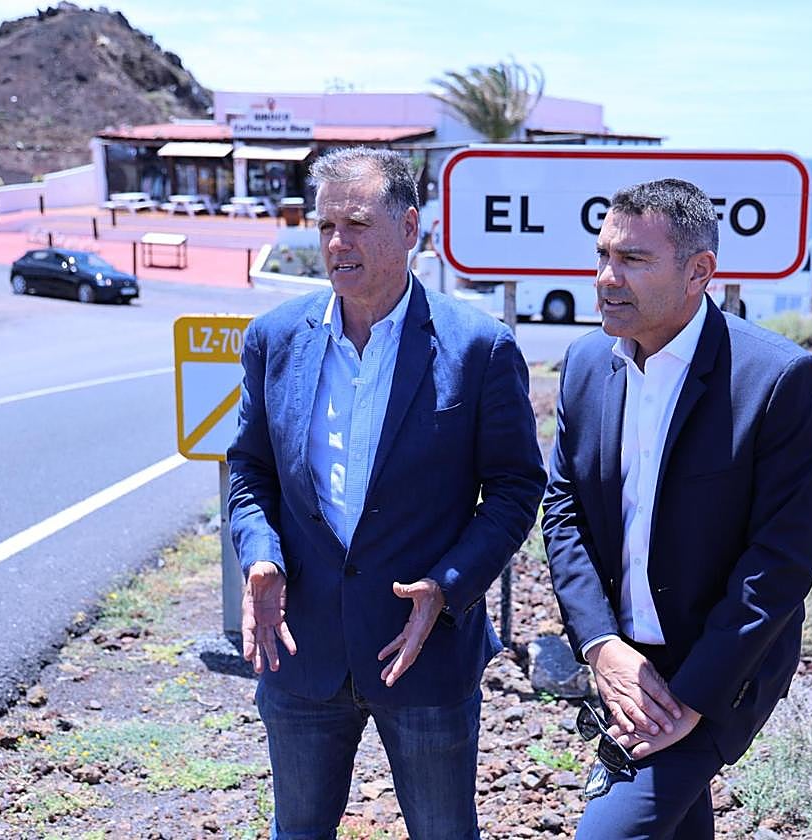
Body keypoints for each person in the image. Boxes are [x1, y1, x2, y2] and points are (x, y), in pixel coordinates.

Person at [227, 147, 546, 840]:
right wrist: (261, 555)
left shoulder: (479, 349)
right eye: (326, 225)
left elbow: (519, 487)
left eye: (358, 224)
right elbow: (250, 471)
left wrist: (450, 584)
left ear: (409, 228)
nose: (338, 244)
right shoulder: (276, 338)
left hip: (424, 653)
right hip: (302, 650)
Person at [542, 178, 812, 839]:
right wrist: (599, 644)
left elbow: (780, 563)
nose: (606, 278)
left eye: (633, 261)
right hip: (621, 655)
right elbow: (564, 510)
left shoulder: (779, 379)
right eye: (602, 255)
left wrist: (692, 700)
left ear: (699, 272)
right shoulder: (587, 363)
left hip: (720, 669)